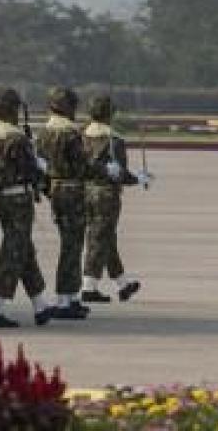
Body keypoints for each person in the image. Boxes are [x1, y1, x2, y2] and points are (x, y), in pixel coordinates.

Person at [0, 88, 54, 328]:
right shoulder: (17, 138)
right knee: (13, 251)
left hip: (2, 199)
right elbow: (30, 171)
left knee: (23, 249)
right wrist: (42, 170)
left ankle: (40, 305)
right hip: (19, 199)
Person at [35, 86, 97, 320]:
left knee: (71, 244)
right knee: (72, 246)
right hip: (73, 190)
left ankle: (71, 296)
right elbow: (83, 166)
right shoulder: (71, 133)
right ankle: (64, 299)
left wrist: (47, 189)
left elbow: (39, 165)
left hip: (56, 189)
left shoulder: (44, 133)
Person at [80, 95, 142, 303]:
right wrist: (138, 179)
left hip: (85, 192)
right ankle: (89, 287)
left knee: (106, 238)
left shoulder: (81, 136)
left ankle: (122, 284)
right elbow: (121, 174)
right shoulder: (115, 141)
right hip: (106, 196)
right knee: (99, 239)